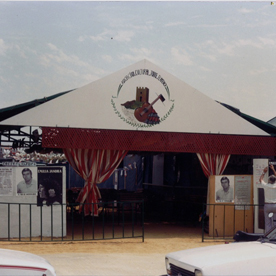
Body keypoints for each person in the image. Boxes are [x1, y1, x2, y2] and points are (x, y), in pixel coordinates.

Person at [259, 165, 276, 232]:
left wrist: (264, 172)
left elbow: (260, 180)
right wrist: (273, 169)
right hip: (275, 205)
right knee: (275, 221)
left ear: (269, 180)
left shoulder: (266, 186)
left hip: (268, 205)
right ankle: (275, 236)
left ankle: (268, 236)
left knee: (267, 222)